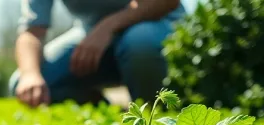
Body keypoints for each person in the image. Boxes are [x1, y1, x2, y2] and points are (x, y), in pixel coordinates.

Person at [9, 0, 185, 107]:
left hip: (155, 24)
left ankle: (158, 116)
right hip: (90, 36)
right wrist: (30, 74)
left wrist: (107, 27)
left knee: (140, 42)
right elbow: (32, 32)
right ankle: (108, 111)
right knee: (22, 81)